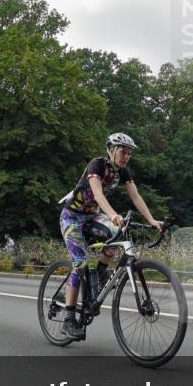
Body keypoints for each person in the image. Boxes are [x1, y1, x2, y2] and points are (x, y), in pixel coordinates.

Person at [57, 132, 163, 341]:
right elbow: (98, 194)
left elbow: (136, 196)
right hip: (72, 217)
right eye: (123, 152)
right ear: (111, 150)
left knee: (118, 233)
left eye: (129, 153)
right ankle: (68, 320)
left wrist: (152, 220)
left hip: (92, 216)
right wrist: (113, 214)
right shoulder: (96, 165)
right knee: (80, 263)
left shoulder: (123, 172)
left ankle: (101, 273)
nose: (126, 157)